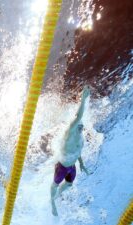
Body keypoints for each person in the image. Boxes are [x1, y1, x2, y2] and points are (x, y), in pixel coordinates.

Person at [50, 86, 91, 216]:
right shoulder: (69, 133)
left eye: (82, 126)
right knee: (55, 185)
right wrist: (83, 100)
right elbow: (78, 116)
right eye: (79, 125)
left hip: (72, 167)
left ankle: (56, 197)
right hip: (62, 166)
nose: (81, 126)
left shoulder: (81, 138)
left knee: (69, 185)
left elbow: (78, 153)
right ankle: (52, 202)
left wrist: (82, 164)